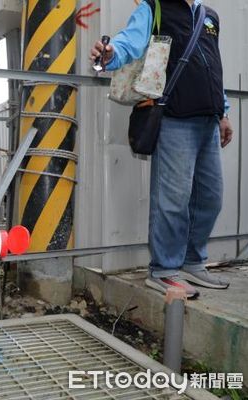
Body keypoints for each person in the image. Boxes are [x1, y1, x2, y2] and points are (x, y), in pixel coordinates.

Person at [90, 0, 233, 298]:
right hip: (175, 119)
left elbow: (213, 64)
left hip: (208, 120)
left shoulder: (209, 16)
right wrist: (110, 53)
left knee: (210, 198)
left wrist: (224, 112)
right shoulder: (153, 8)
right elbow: (129, 42)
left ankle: (193, 261)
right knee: (173, 200)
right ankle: (164, 269)